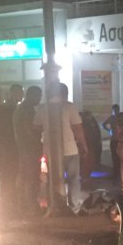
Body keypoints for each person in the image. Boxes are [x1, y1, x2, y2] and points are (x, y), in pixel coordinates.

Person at [34, 83, 88, 213]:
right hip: (70, 150)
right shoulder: (69, 107)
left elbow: (36, 127)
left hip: (49, 152)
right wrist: (83, 145)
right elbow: (78, 128)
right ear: (65, 94)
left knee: (52, 179)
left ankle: (55, 205)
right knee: (73, 179)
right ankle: (74, 207)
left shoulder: (42, 108)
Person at [13, 86, 43, 216]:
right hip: (30, 148)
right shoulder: (27, 109)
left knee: (24, 175)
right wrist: (41, 130)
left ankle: (22, 204)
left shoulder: (20, 108)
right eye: (38, 96)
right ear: (31, 95)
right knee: (31, 176)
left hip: (22, 147)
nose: (39, 99)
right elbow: (29, 129)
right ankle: (30, 205)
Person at [0, 84, 24, 213]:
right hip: (10, 145)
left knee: (11, 173)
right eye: (20, 92)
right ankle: (9, 200)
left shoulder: (12, 107)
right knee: (10, 173)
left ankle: (9, 199)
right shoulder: (9, 109)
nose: (22, 95)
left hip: (11, 145)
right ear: (13, 93)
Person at [102, 104, 121, 178]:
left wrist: (109, 130)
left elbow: (104, 124)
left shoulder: (119, 117)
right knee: (115, 157)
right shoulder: (112, 118)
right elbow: (104, 124)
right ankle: (116, 172)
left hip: (119, 140)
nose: (116, 111)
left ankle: (118, 172)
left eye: (117, 110)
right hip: (115, 140)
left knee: (118, 157)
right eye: (115, 110)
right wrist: (109, 130)